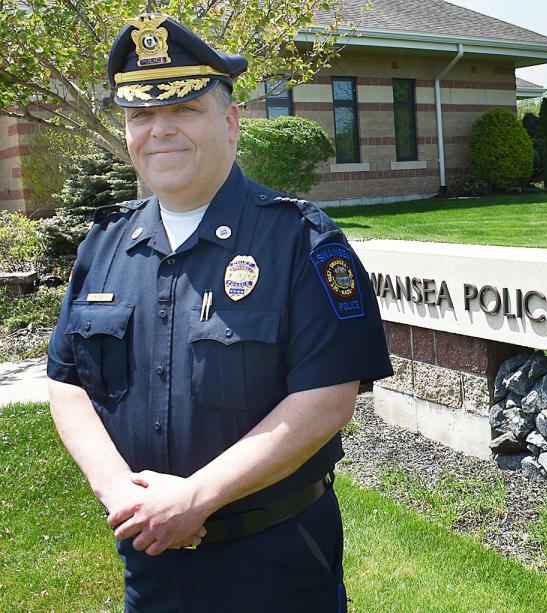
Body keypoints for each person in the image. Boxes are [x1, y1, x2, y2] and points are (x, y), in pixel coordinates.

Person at [46, 13, 392, 611]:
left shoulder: (299, 239)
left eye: (183, 110)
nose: (160, 131)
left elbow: (327, 398)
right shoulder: (103, 245)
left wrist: (195, 499)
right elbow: (67, 383)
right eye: (142, 115)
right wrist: (125, 500)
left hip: (274, 564)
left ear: (230, 122)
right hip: (150, 561)